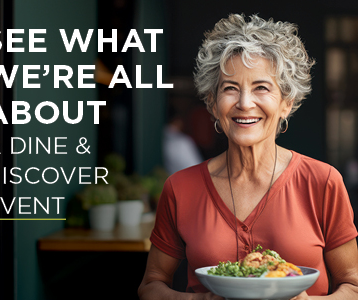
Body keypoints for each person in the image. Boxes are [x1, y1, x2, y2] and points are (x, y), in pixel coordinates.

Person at [138, 14, 358, 300]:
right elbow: (150, 287)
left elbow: (353, 286)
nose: (244, 103)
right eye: (230, 88)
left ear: (286, 103)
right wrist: (200, 299)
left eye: (261, 88)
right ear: (212, 103)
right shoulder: (181, 188)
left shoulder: (322, 182)